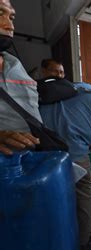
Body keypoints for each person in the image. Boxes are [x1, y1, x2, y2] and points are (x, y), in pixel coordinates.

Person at [38, 77, 91, 250]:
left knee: (49, 190)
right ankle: (81, 246)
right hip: (70, 141)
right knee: (84, 193)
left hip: (41, 135)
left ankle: (48, 237)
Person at [0, 0, 41, 155]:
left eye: (11, 17)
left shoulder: (16, 66)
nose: (10, 26)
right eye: (0, 13)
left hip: (29, 164)